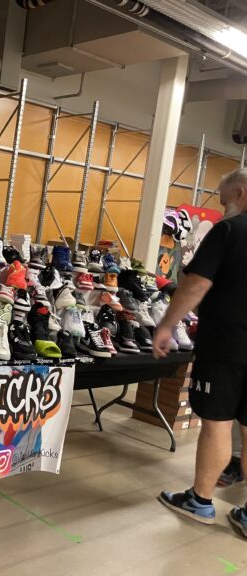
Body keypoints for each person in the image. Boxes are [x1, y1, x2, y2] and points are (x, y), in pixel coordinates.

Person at [153, 167, 247, 538]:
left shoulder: (229, 230)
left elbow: (196, 283)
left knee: (218, 421)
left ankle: (200, 500)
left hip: (227, 343)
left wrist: (165, 325)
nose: (223, 208)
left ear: (239, 193)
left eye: (224, 200)